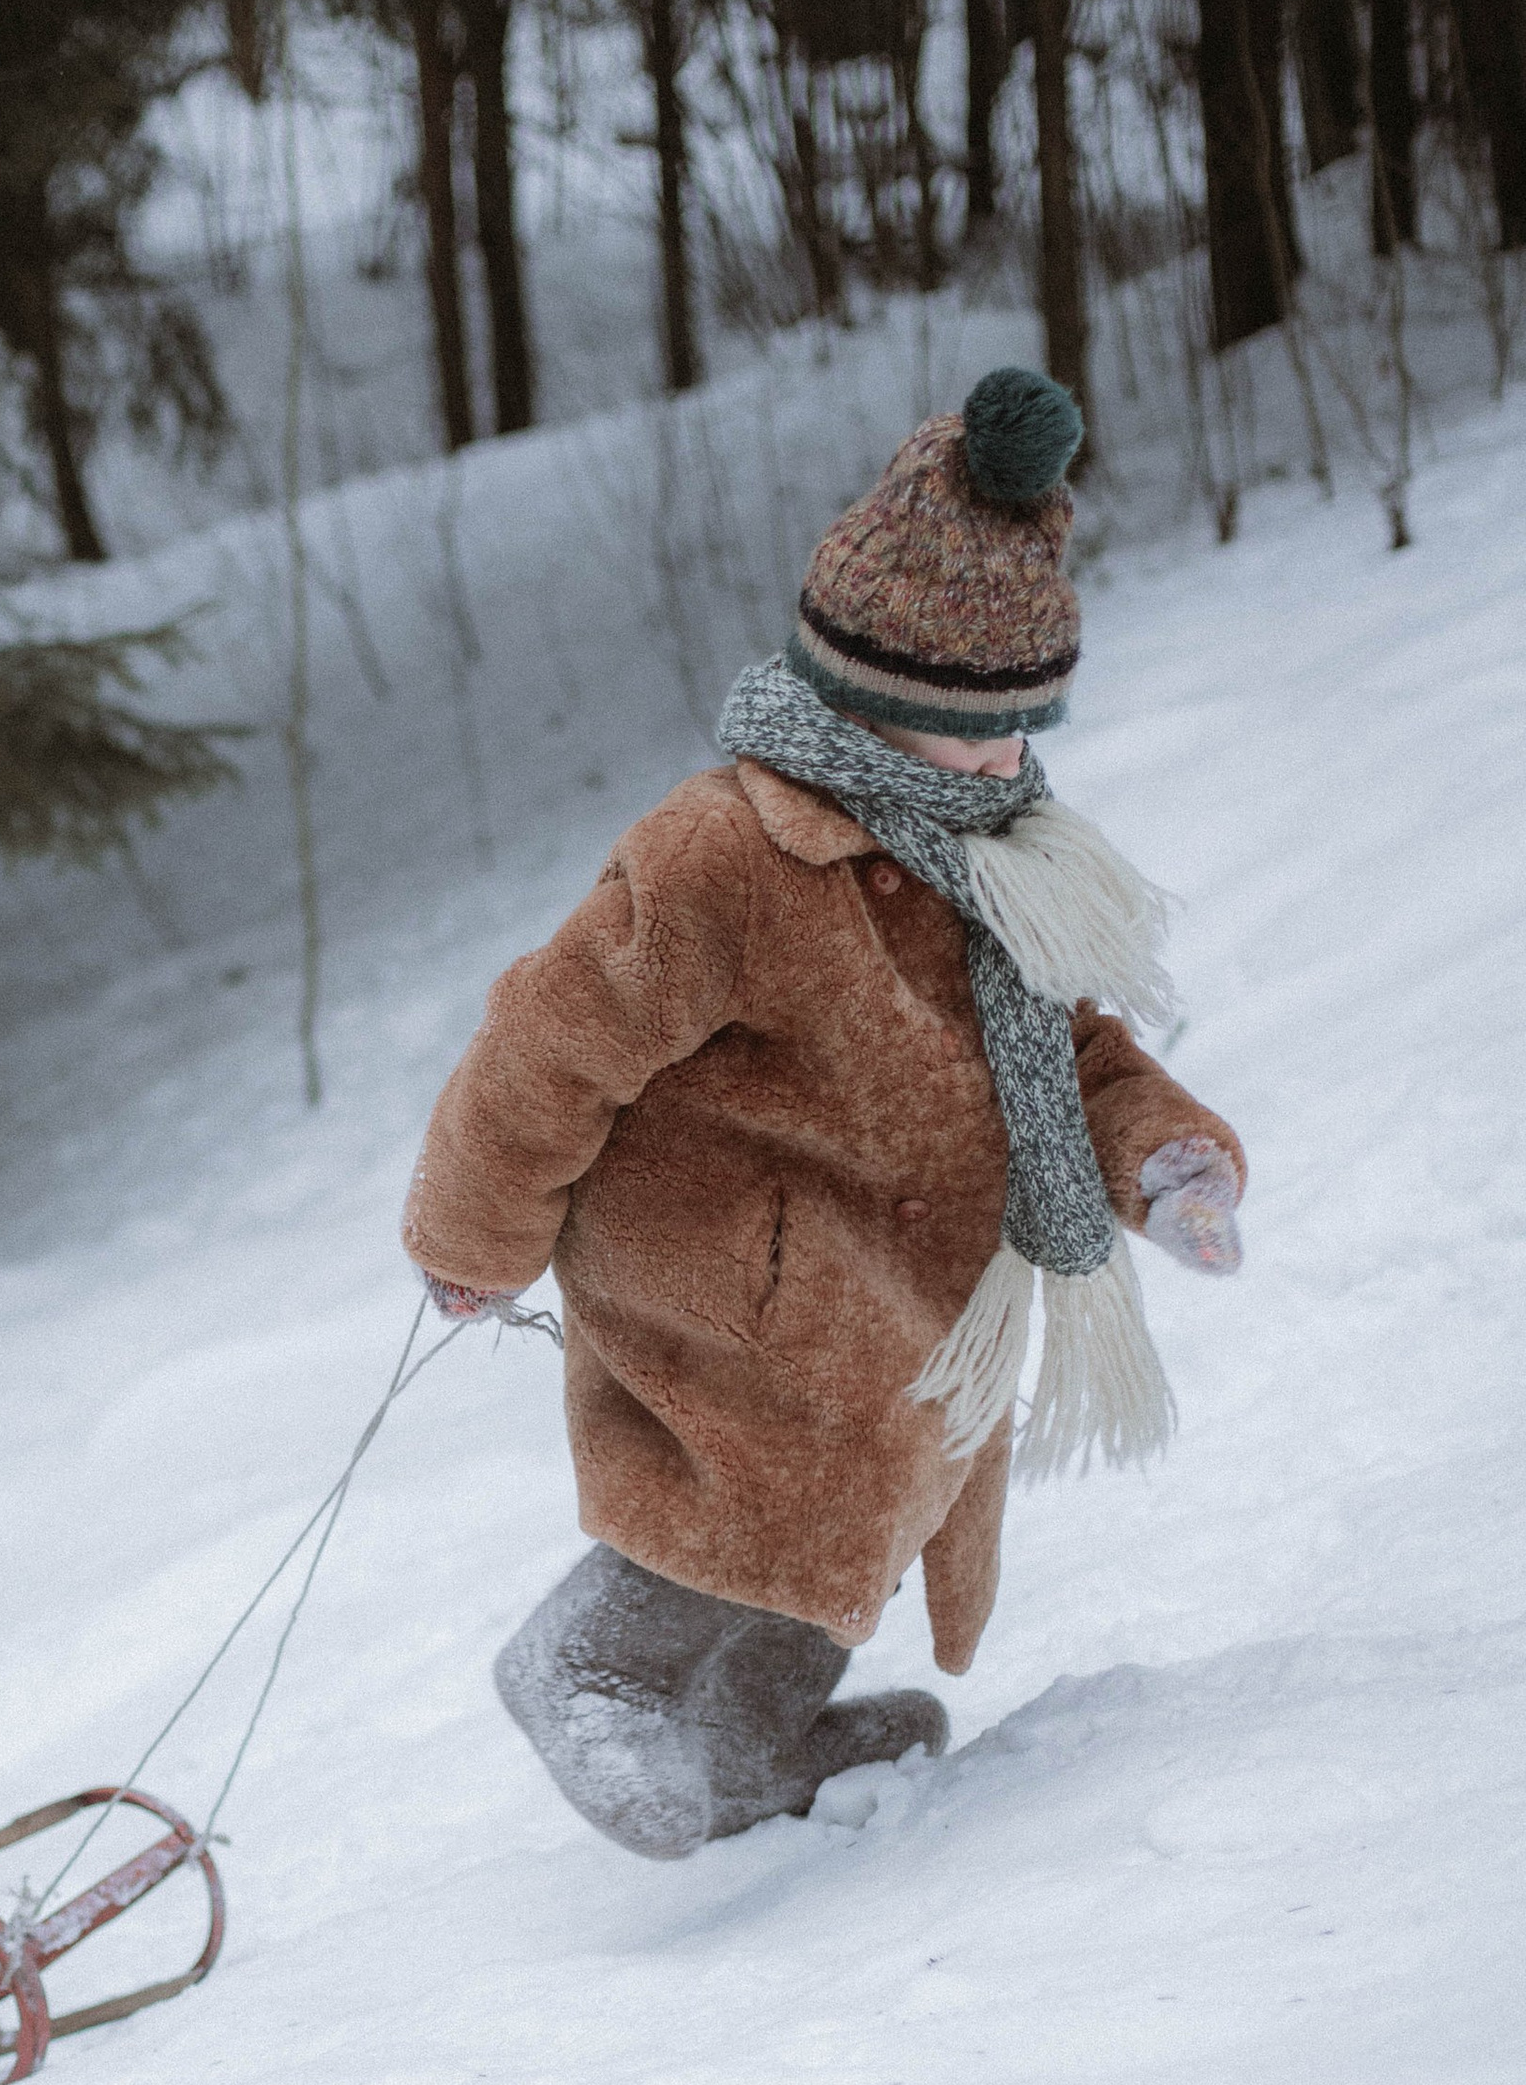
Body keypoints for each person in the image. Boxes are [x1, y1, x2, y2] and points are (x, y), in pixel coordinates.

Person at [401, 366, 1246, 1860]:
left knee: (898, 1474)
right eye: (970, 730)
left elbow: (1070, 1046)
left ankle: (753, 1734)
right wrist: (478, 1232)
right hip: (727, 1257)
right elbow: (545, 1047)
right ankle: (594, 1667)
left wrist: (1167, 1158)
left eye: (1022, 728)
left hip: (908, 1274)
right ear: (868, 695)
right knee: (784, 1463)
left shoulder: (996, 858)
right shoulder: (726, 854)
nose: (1005, 763)